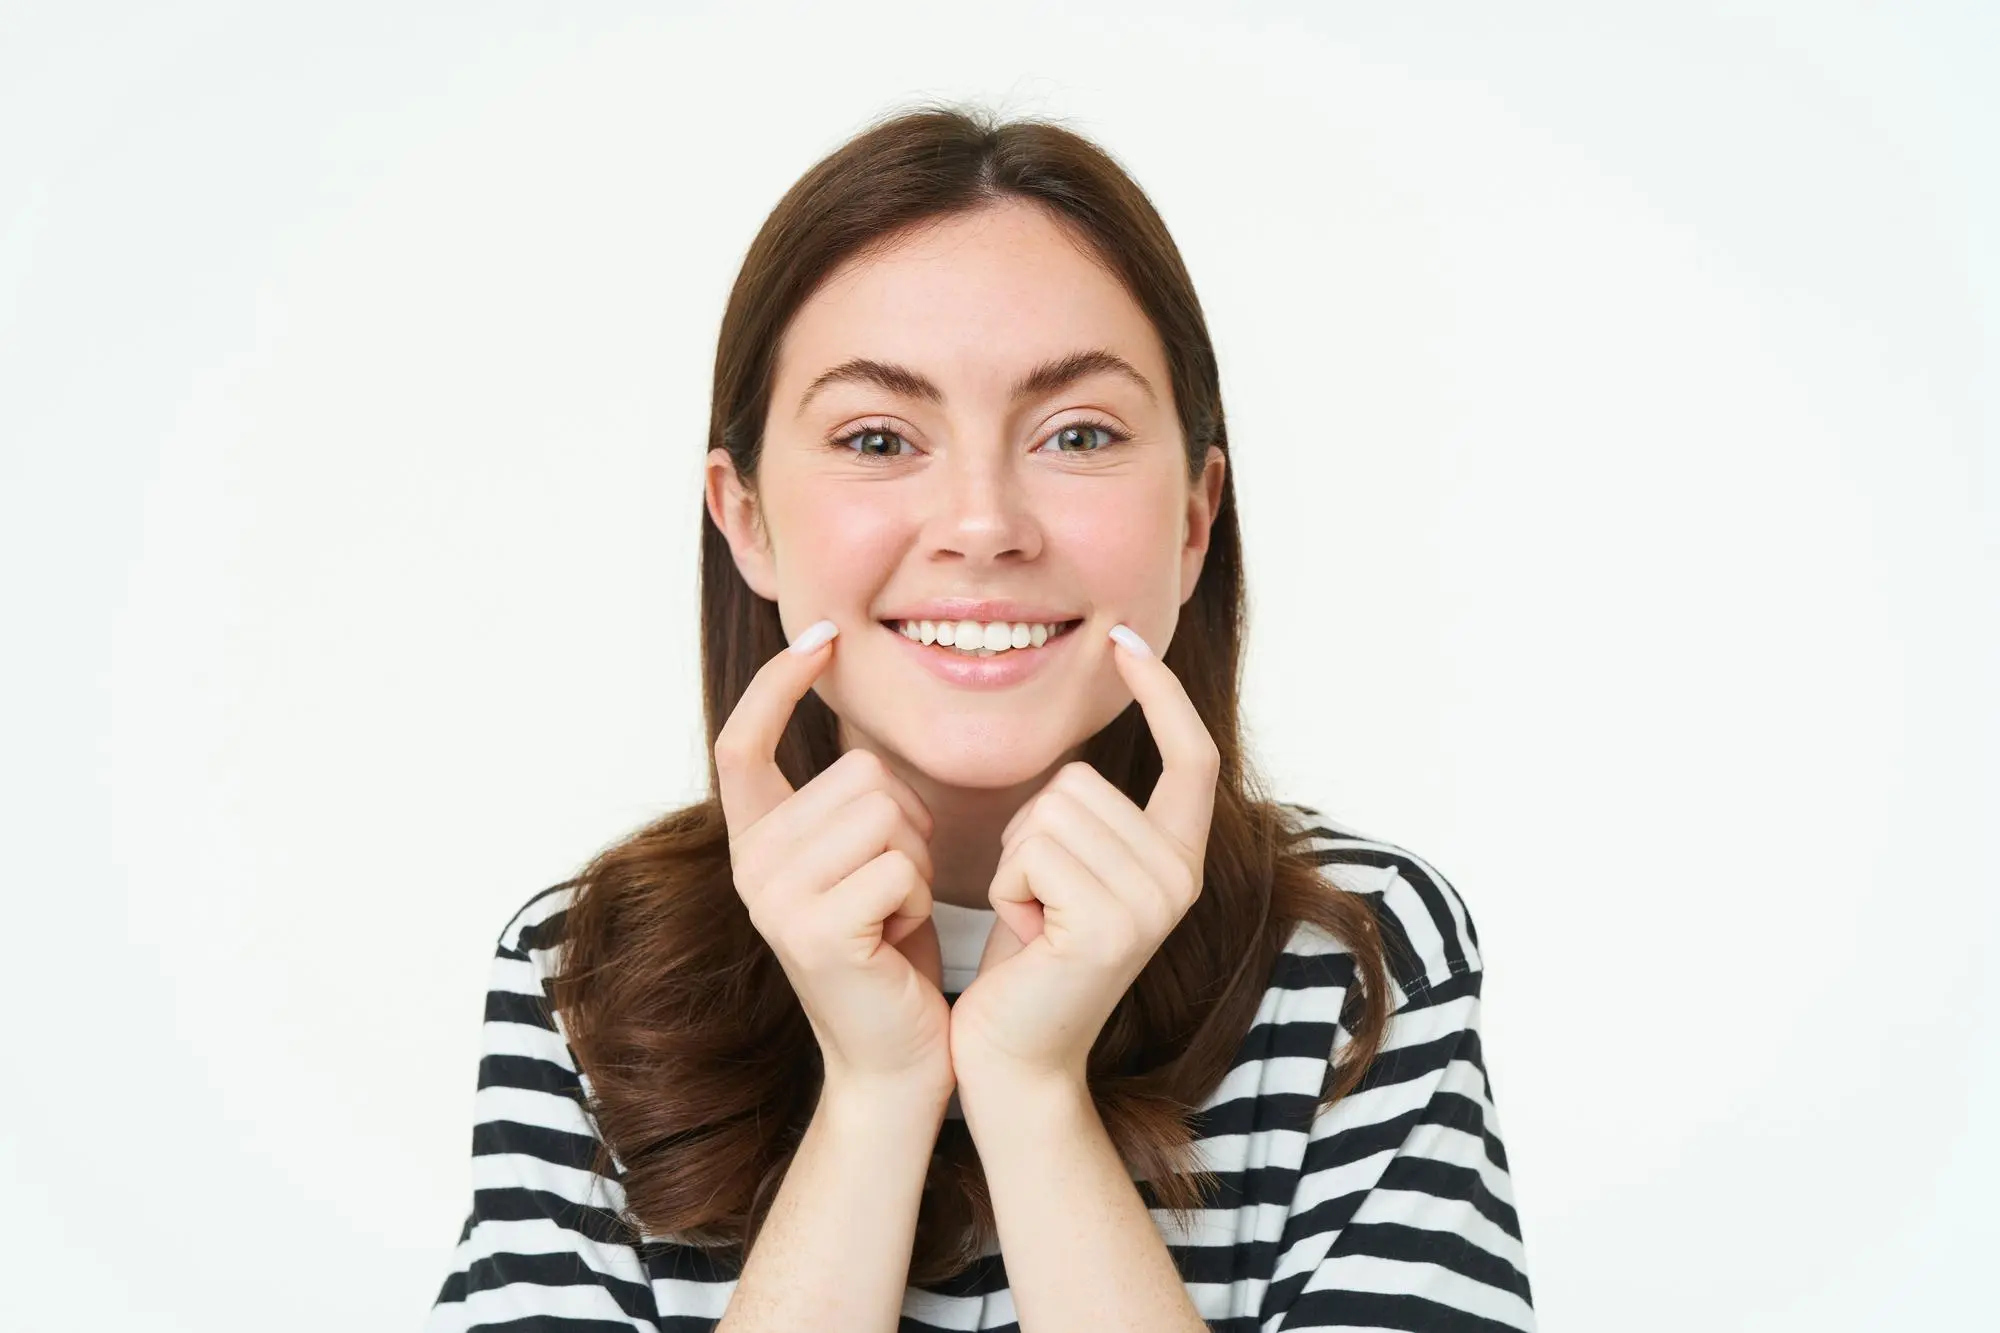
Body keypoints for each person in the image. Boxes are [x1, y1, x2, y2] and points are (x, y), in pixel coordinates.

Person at [426, 100, 1535, 1332]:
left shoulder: (1359, 959)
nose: (981, 522)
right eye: (876, 436)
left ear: (1192, 516)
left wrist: (1029, 1088)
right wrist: (873, 1093)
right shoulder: (586, 972)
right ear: (744, 518)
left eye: (1076, 433)